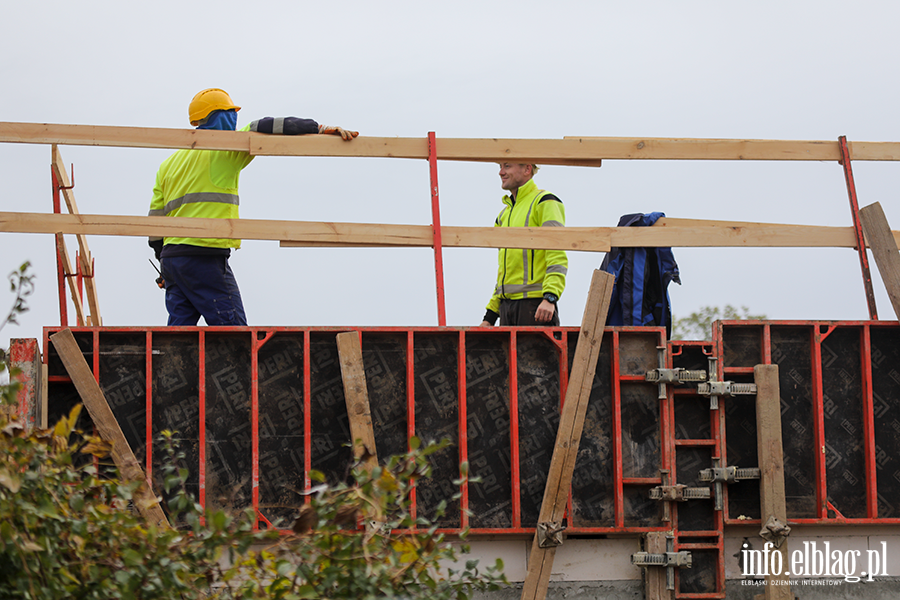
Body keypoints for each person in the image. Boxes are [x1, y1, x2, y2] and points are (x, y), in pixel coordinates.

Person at [148, 88, 357, 326]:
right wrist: (317, 128)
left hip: (172, 261)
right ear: (223, 115)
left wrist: (163, 264)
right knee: (235, 334)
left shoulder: (168, 164)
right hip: (203, 257)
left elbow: (154, 224)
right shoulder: (226, 148)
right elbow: (264, 125)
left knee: (177, 337)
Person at [479, 163, 567, 327]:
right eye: (500, 166)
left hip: (536, 307)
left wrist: (550, 297)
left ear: (527, 169)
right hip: (507, 308)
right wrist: (490, 315)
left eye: (507, 166)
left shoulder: (544, 202)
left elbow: (557, 254)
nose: (500, 172)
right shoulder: (503, 216)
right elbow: (504, 272)